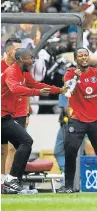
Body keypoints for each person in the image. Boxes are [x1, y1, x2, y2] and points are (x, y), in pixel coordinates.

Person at [2, 48, 66, 193]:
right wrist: (36, 93)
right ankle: (11, 180)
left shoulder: (24, 73)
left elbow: (38, 85)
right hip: (2, 117)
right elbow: (15, 89)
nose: (33, 61)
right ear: (21, 59)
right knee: (25, 142)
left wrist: (59, 90)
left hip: (6, 116)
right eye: (31, 58)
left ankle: (12, 183)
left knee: (23, 145)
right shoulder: (11, 72)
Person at [58, 48, 97, 193]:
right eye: (80, 56)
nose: (84, 58)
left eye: (86, 55)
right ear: (75, 59)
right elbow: (67, 90)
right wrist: (75, 79)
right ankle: (68, 186)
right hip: (78, 119)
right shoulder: (70, 73)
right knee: (70, 151)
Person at [1, 38, 22, 180]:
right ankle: (2, 177)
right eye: (17, 49)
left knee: (16, 146)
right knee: (3, 148)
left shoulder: (21, 67)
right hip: (3, 112)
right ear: (8, 51)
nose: (20, 52)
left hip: (19, 111)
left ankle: (10, 179)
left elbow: (27, 87)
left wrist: (26, 111)